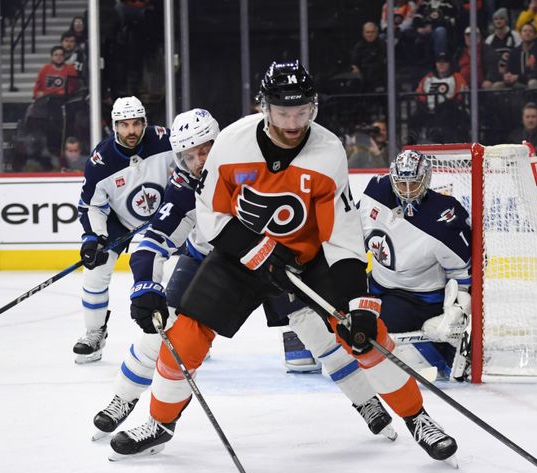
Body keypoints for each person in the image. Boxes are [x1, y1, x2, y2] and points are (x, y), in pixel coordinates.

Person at [108, 60, 458, 463]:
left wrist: (359, 303)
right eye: (283, 112)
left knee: (366, 334)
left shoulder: (328, 151)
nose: (293, 123)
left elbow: (341, 234)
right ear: (264, 108)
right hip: (240, 258)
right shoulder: (232, 143)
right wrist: (259, 252)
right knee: (185, 334)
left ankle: (418, 418)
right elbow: (211, 214)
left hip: (307, 260)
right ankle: (159, 422)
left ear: (313, 108)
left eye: (301, 112)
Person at [93, 108, 399, 443]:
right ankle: (127, 400)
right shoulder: (183, 187)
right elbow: (152, 242)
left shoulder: (248, 161)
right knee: (160, 328)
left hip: (274, 259)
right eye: (188, 155)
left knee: (315, 330)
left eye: (205, 150)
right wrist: (144, 285)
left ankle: (366, 400)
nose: (198, 161)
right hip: (210, 262)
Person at [73, 96, 174, 364]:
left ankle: (188, 330)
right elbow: (91, 206)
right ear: (115, 126)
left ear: (145, 123)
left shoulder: (165, 140)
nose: (131, 131)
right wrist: (93, 237)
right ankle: (94, 333)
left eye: (137, 124)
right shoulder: (101, 160)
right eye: (124, 125)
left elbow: (194, 164)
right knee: (95, 270)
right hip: (121, 220)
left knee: (190, 265)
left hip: (169, 215)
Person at [359, 150, 473, 382]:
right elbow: (355, 232)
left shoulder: (445, 215)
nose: (408, 190)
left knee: (373, 325)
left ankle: (443, 352)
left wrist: (457, 310)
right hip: (377, 285)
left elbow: (463, 273)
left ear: (427, 179)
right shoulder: (375, 192)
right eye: (402, 183)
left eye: (414, 182)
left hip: (419, 299)